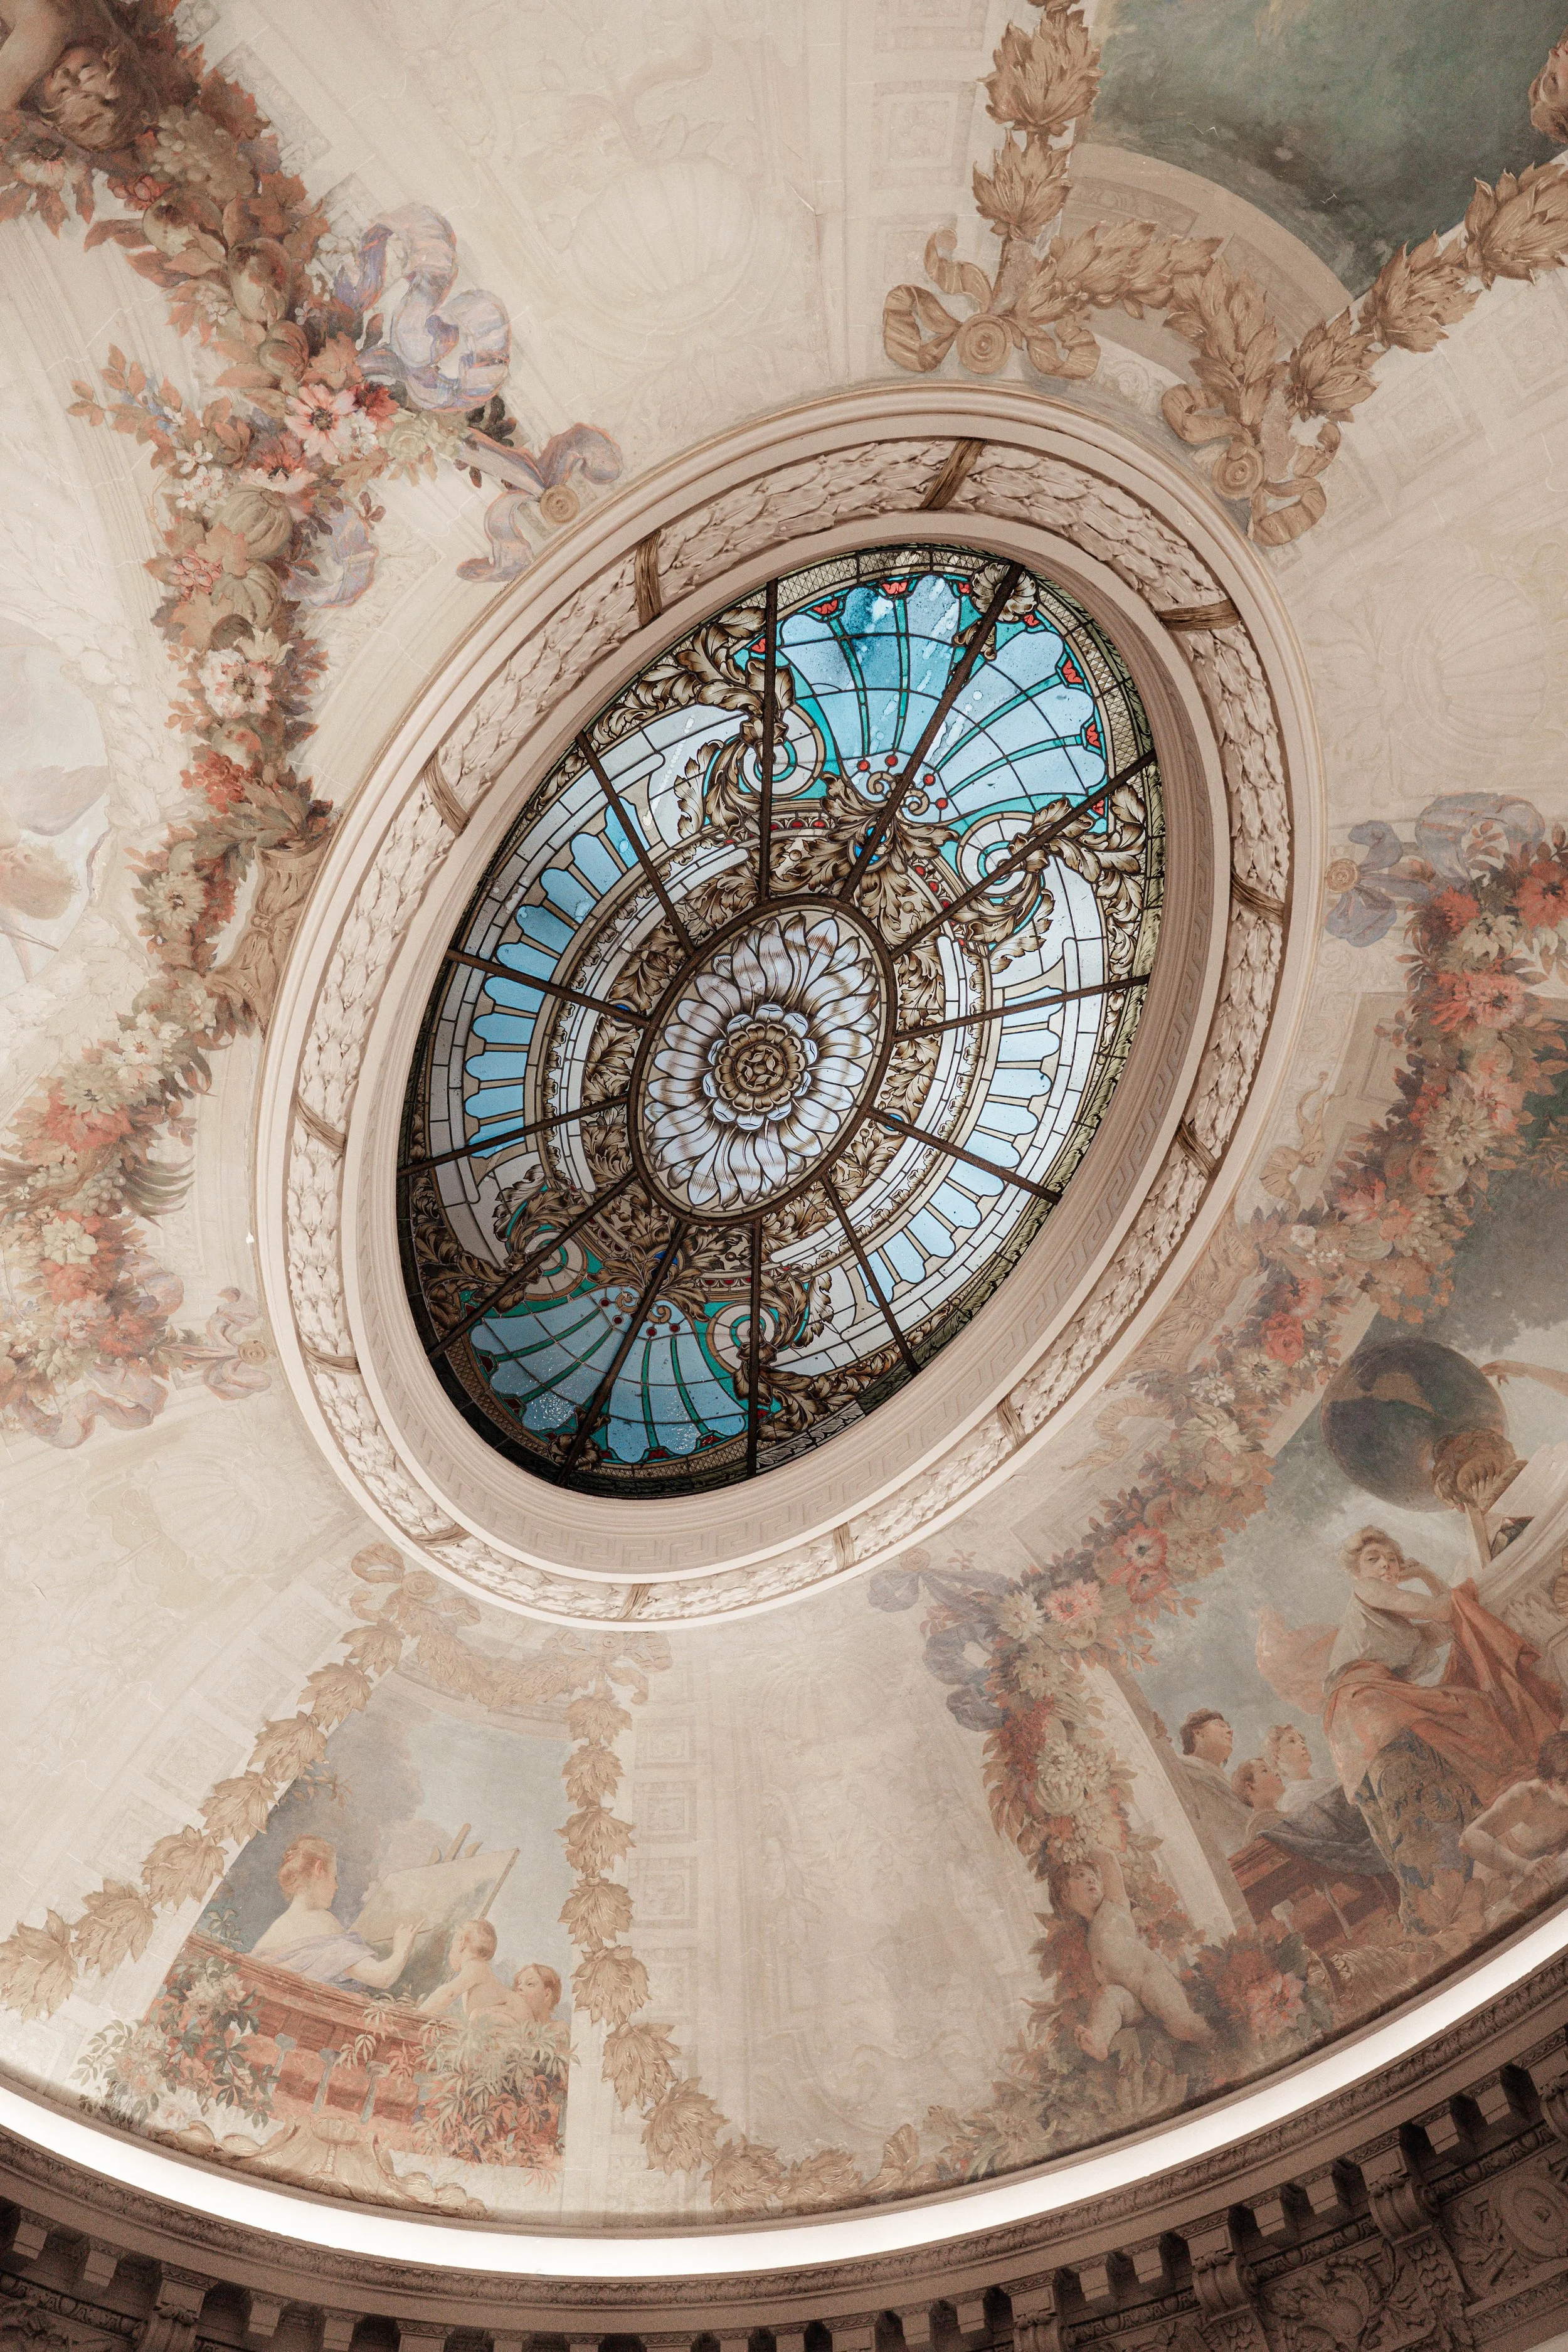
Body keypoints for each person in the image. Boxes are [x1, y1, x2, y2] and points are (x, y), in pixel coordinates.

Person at [1317, 1528, 1562, 1932]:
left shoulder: (1400, 1623)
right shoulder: (1368, 1592)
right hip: (1365, 1701)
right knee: (1469, 1710)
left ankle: (1481, 1866)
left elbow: (1448, 1625)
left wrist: (1429, 1575)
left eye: (1392, 1561)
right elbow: (1444, 1609)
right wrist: (1435, 1584)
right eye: (1374, 1559)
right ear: (1357, 1570)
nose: (1386, 1567)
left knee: (1467, 1712)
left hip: (1372, 1704)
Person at [1049, 1849, 1213, 2062]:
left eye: (1093, 1875)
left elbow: (1108, 1859)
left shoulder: (1114, 1905)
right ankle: (1098, 2041)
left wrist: (1082, 1845)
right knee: (1108, 1996)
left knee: (1182, 2025)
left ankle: (1216, 2043)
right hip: (1130, 1999)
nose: (1091, 1878)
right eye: (1079, 1875)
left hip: (1150, 1980)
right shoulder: (1088, 1935)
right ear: (1066, 1896)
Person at [250, 1835, 418, 1991]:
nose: (336, 1886)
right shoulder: (321, 1920)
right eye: (334, 1877)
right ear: (319, 1869)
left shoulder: (277, 1928)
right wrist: (402, 1949)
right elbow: (382, 1977)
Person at [0, 1, 155, 147]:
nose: (63, 75)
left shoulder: (92, 28)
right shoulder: (49, 33)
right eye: (85, 70)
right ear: (108, 58)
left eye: (63, 91)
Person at [1461, 1732, 1568, 1913]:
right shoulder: (1526, 1797)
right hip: (1500, 1876)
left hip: (1541, 1870)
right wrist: (1524, 1866)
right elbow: (1468, 1838)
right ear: (1550, 1783)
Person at [1174, 1708, 1254, 1857]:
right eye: (1220, 1726)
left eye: (1228, 1727)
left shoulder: (1231, 1781)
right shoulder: (1180, 1765)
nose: (1230, 1731)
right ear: (1198, 1732)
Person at [418, 1919, 513, 2021]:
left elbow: (448, 1993)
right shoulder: (478, 1968)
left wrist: (418, 2013)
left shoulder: (476, 1967)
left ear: (462, 1943)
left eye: (452, 1945)